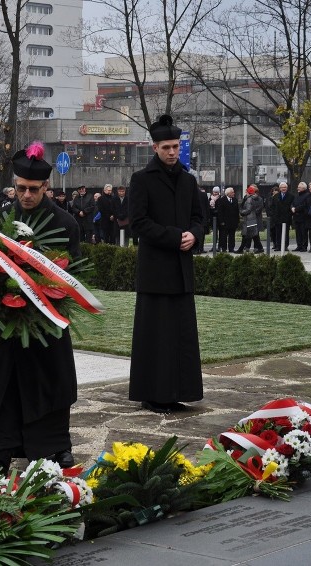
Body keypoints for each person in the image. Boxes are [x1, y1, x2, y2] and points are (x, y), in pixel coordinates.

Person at [0, 141, 81, 477]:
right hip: (5, 320)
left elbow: (70, 276)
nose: (26, 195)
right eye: (20, 188)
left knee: (50, 383)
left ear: (46, 186)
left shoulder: (65, 223)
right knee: (4, 385)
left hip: (45, 320)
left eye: (33, 189)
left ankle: (54, 446)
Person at [128, 114, 204, 414]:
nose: (172, 152)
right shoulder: (141, 180)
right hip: (156, 271)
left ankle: (178, 392)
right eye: (166, 147)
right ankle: (153, 394)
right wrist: (175, 237)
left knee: (181, 336)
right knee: (156, 336)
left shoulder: (188, 179)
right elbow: (138, 223)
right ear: (155, 148)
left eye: (175, 146)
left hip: (181, 271)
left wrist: (194, 235)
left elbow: (200, 219)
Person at [236, 185, 264, 253]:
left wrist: (241, 212)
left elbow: (248, 209)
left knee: (247, 234)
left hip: (249, 218)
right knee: (254, 235)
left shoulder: (249, 199)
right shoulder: (251, 198)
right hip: (251, 218)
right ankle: (260, 248)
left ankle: (241, 249)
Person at [270, 182, 294, 251]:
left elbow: (292, 206)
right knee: (278, 233)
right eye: (282, 187)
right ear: (280, 188)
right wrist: (274, 216)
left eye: (285, 187)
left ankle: (285, 246)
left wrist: (290, 215)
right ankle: (278, 246)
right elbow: (272, 207)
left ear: (287, 188)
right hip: (278, 218)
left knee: (286, 233)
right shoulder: (276, 196)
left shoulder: (291, 196)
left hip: (287, 218)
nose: (283, 189)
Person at [215, 187, 239, 252]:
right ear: (228, 193)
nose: (234, 193)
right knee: (223, 236)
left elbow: (237, 211)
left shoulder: (235, 200)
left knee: (232, 236)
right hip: (224, 222)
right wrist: (221, 221)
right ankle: (224, 248)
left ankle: (231, 248)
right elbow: (220, 212)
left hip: (233, 222)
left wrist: (237, 221)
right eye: (232, 192)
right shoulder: (222, 200)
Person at [291, 182, 310, 252]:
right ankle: (299, 245)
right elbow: (293, 203)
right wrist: (292, 207)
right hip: (296, 217)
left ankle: (304, 246)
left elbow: (304, 205)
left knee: (303, 232)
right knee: (298, 232)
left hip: (303, 217)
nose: (297, 188)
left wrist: (296, 209)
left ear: (304, 188)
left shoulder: (307, 195)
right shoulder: (297, 196)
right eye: (298, 187)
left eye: (299, 187)